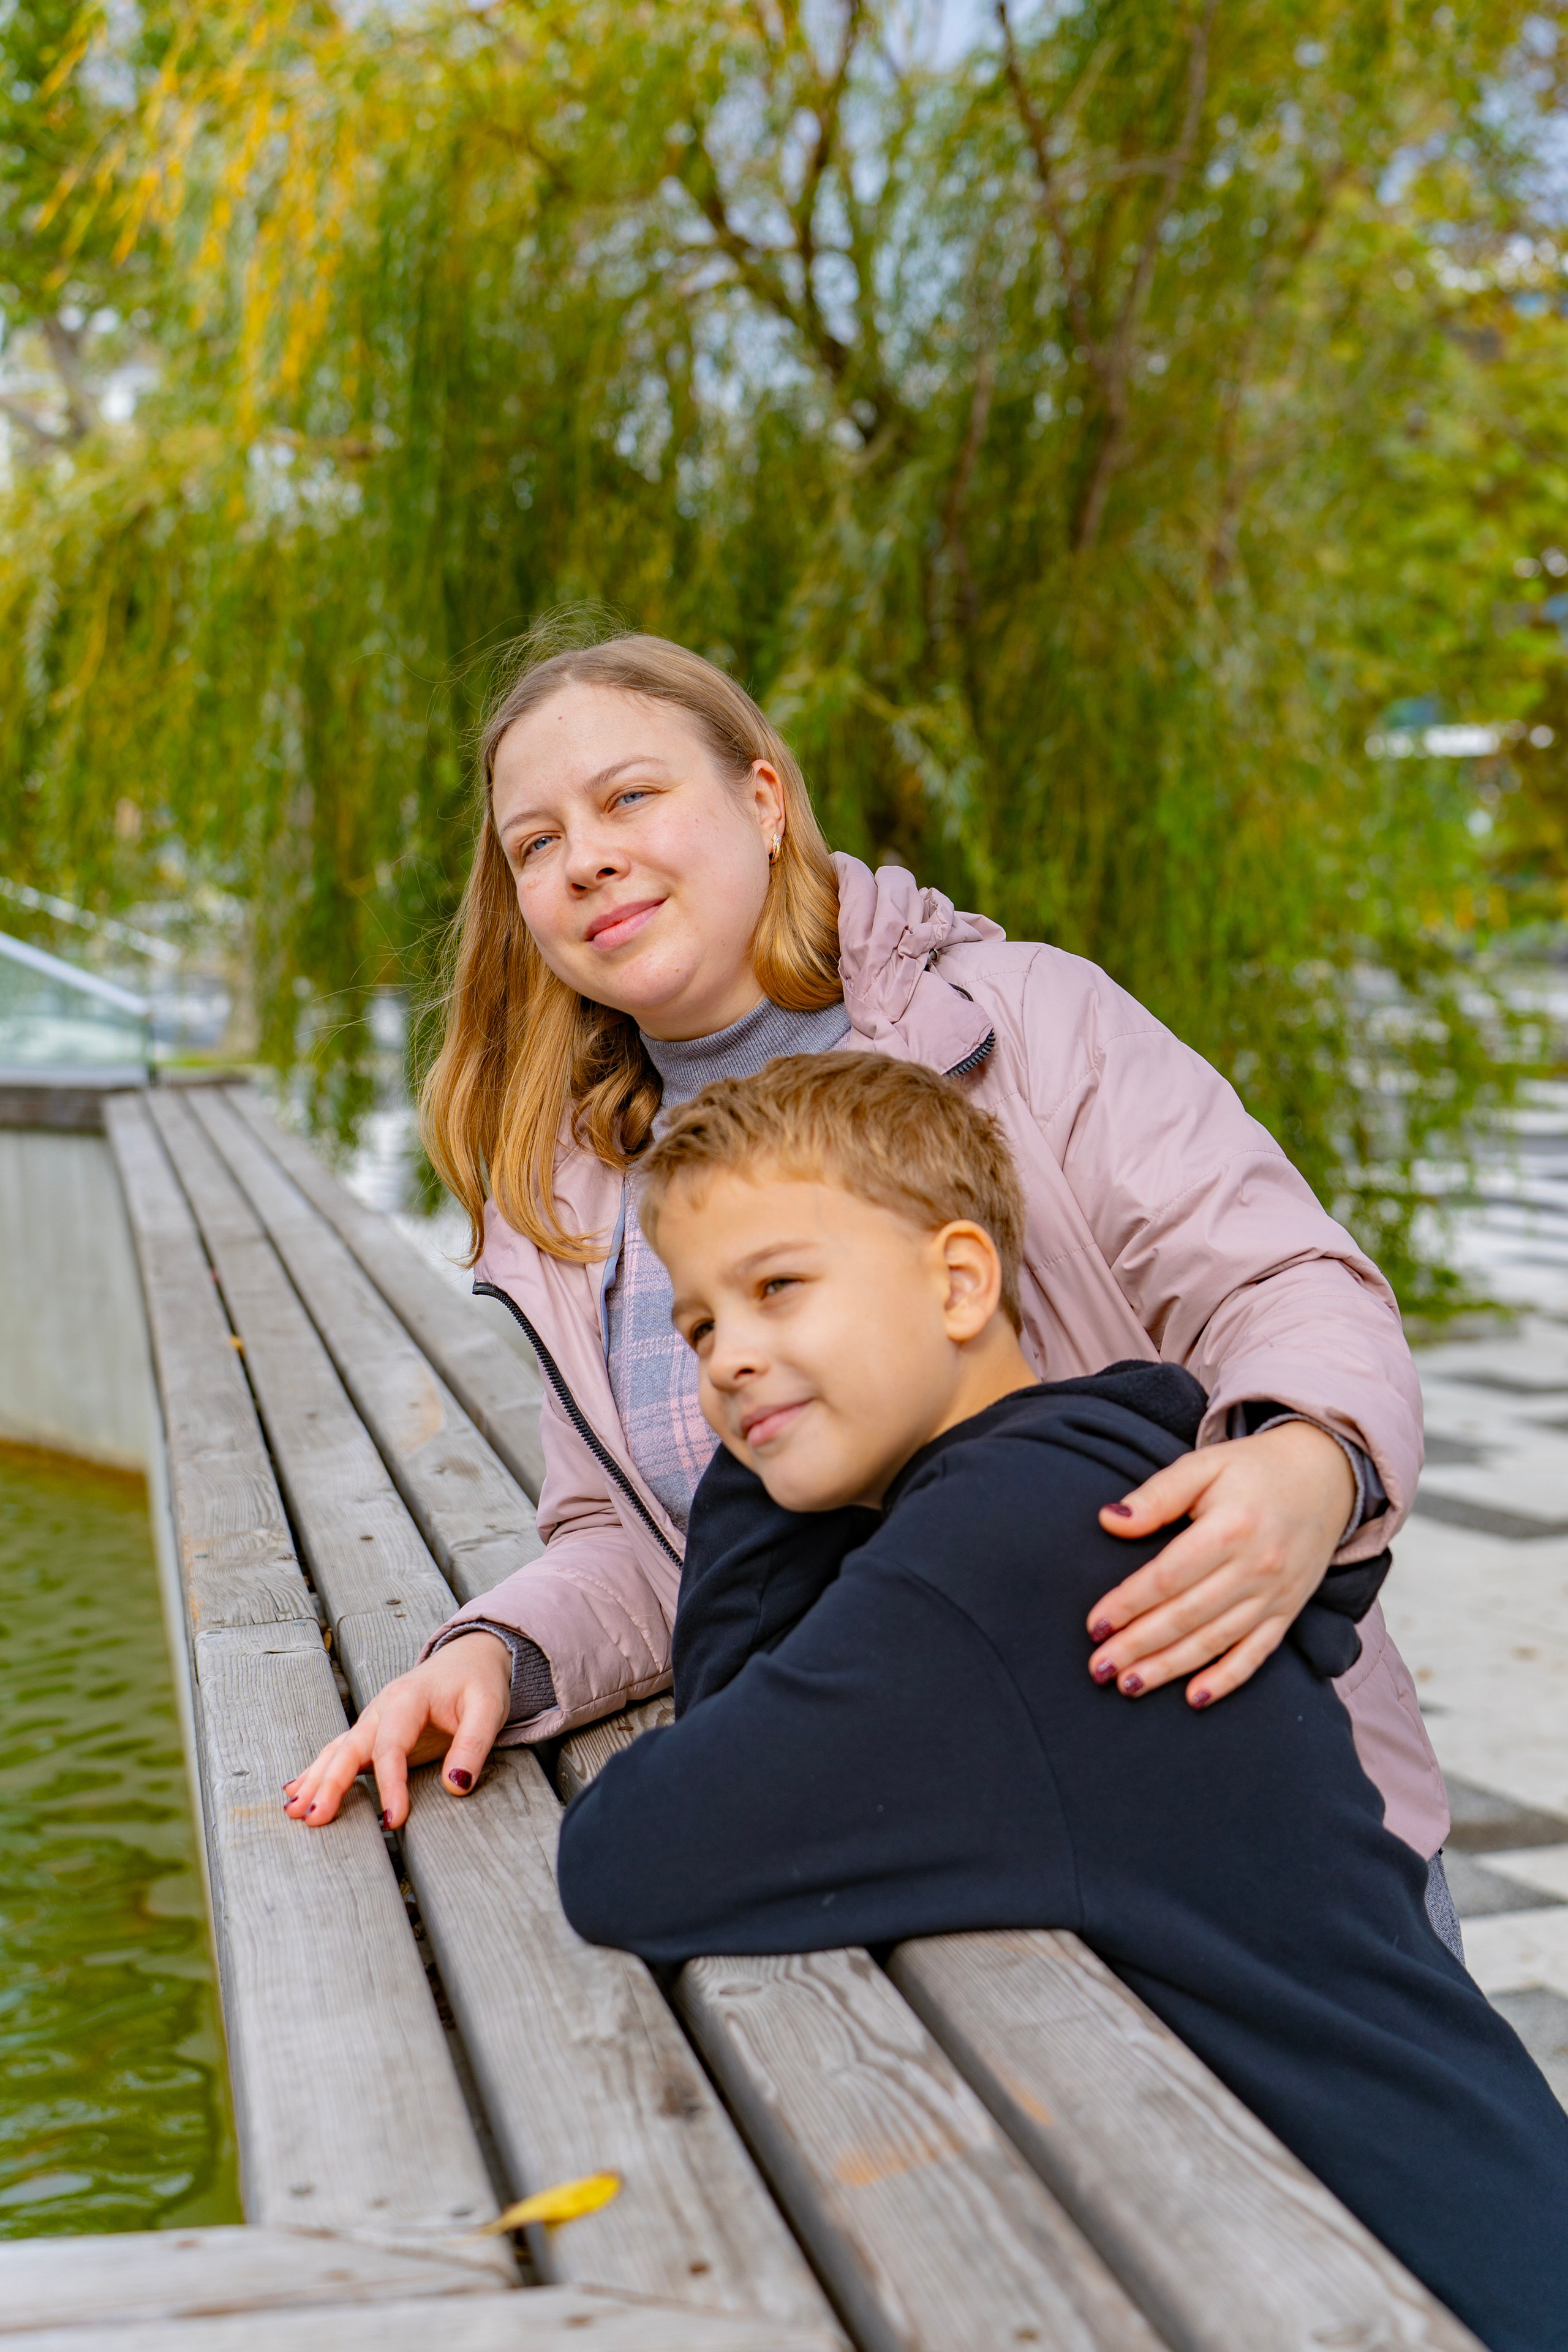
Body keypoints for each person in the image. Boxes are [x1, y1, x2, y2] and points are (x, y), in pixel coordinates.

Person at [282, 627, 1449, 1942]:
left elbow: (1287, 1284)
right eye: (533, 843)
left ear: (762, 801)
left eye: (628, 798)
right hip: (927, 1872)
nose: (584, 858)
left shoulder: (1020, 1023)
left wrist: (1306, 1459)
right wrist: (495, 1658)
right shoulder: (576, 1189)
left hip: (1212, 1806)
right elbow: (632, 1542)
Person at [556, 1055, 1568, 2352]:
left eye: (777, 1290)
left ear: (960, 1281)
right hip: (1376, 2214)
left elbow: (635, 1855)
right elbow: (752, 1736)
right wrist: (777, 1458)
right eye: (699, 1329)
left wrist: (762, 1483)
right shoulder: (1042, 1483)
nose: (730, 1362)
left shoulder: (1007, 1553)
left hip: (1431, 2279)